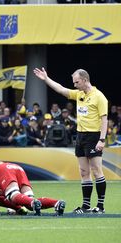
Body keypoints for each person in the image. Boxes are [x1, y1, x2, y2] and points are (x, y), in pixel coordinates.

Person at [34, 68, 108, 214]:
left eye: (77, 82)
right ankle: (86, 206)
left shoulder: (99, 97)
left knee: (96, 170)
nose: (74, 85)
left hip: (94, 136)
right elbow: (61, 89)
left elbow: (104, 120)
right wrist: (46, 79)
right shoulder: (79, 94)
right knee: (83, 171)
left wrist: (102, 140)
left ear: (85, 80)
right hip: (80, 136)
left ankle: (100, 206)